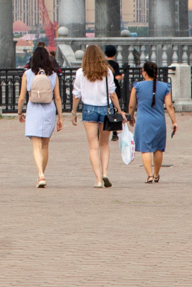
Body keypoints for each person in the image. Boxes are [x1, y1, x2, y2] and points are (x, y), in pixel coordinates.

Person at [71, 44, 119, 188]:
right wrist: (119, 109)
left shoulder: (81, 72)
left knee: (93, 146)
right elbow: (112, 93)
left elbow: (76, 94)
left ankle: (98, 179)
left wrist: (74, 112)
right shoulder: (107, 71)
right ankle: (105, 173)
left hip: (89, 109)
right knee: (105, 144)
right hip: (105, 108)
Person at [18, 43, 63, 187]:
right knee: (45, 146)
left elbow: (21, 97)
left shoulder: (27, 74)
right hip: (49, 109)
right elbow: (57, 98)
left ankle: (40, 175)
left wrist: (20, 112)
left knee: (36, 146)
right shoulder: (53, 74)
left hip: (34, 109)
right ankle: (41, 174)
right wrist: (60, 117)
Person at [127, 60, 177, 183]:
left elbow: (131, 106)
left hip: (143, 120)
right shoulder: (165, 86)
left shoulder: (137, 86)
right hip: (159, 120)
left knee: (145, 148)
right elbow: (169, 105)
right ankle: (156, 174)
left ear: (144, 73)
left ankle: (149, 175)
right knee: (158, 148)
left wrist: (131, 116)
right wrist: (174, 121)